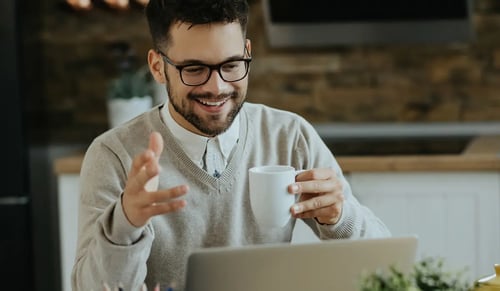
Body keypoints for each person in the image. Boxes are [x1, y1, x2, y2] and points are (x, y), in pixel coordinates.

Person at [71, 0, 391, 290]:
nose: (217, 87)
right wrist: (125, 223)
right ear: (158, 67)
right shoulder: (113, 155)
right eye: (194, 69)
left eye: (232, 65)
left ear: (247, 52)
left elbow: (386, 268)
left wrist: (340, 217)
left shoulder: (289, 137)